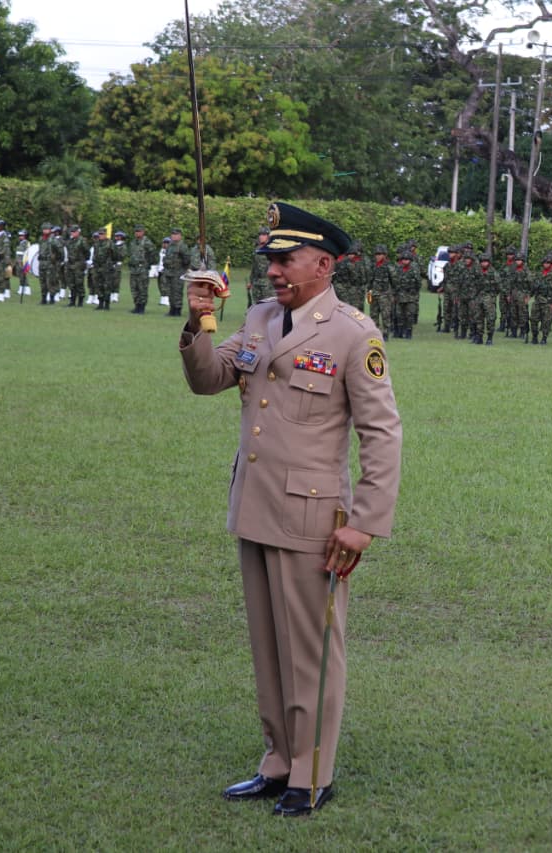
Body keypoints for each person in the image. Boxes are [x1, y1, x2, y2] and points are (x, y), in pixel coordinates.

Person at [180, 202, 402, 816]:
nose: (273, 270)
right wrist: (199, 322)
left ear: (323, 265)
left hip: (312, 518)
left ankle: (312, 773)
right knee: (269, 649)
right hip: (254, 506)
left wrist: (364, 523)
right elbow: (208, 379)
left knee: (310, 653)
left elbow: (382, 432)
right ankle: (278, 761)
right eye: (270, 260)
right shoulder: (257, 317)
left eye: (286, 259)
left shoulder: (353, 333)